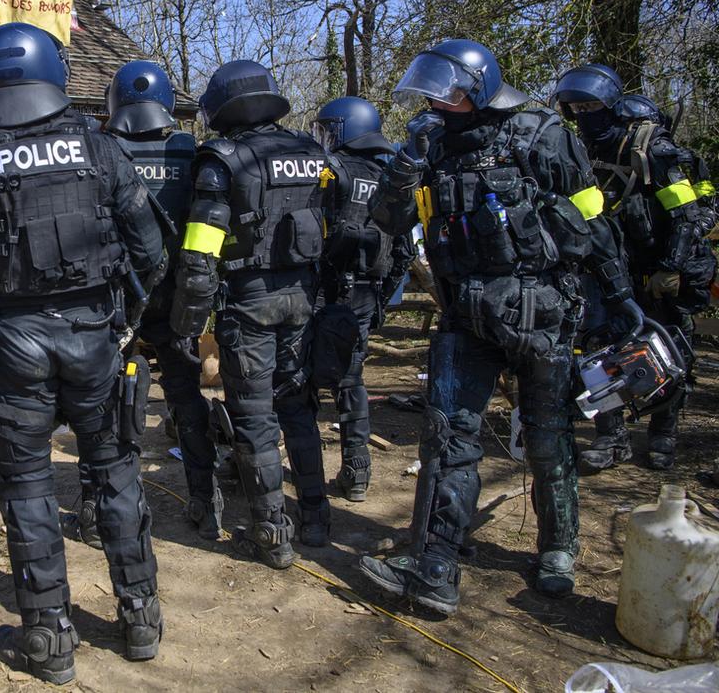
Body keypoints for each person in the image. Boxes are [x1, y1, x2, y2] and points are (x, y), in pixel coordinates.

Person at [358, 40, 642, 613]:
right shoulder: (430, 138)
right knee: (447, 434)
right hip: (465, 314)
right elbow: (387, 218)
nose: (439, 102)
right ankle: (435, 561)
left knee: (547, 432)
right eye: (434, 94)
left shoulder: (541, 133)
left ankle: (558, 548)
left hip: (542, 312)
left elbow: (592, 217)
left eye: (451, 92)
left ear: (481, 85)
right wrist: (408, 161)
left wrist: (619, 296)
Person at [0, 23, 165, 684]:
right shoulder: (101, 145)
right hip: (96, 339)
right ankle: (140, 616)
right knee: (115, 475)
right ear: (54, 73)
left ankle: (49, 638)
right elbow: (151, 250)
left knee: (27, 491)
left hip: (11, 347)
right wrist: (128, 320)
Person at [171, 60, 335, 562]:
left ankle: (271, 534)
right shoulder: (311, 151)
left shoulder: (223, 160)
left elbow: (201, 255)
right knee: (299, 409)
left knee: (256, 419)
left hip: (251, 303)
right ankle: (316, 517)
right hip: (303, 299)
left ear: (222, 105)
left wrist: (186, 323)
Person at [552, 64, 717, 471]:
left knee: (671, 350)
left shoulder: (656, 151)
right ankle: (612, 438)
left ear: (609, 105)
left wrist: (672, 267)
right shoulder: (583, 151)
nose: (584, 114)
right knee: (598, 349)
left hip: (662, 270)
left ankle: (664, 433)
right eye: (576, 108)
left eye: (591, 105)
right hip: (610, 267)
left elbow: (687, 214)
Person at [94, 60, 221, 541]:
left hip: (118, 299)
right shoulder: (193, 154)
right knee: (187, 401)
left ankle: (99, 507)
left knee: (107, 405)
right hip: (179, 299)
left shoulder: (102, 150)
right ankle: (206, 503)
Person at [311, 96, 414, 502]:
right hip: (367, 294)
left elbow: (310, 233)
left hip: (324, 289)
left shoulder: (331, 172)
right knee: (351, 381)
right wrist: (382, 300)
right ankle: (357, 472)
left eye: (328, 128)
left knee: (301, 377)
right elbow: (404, 250)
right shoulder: (394, 179)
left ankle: (307, 472)